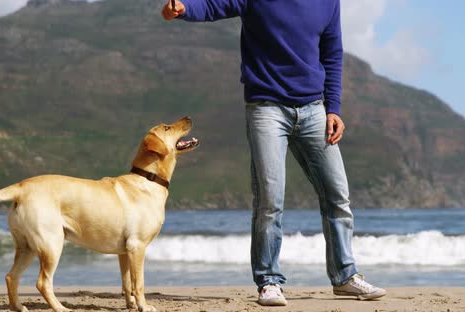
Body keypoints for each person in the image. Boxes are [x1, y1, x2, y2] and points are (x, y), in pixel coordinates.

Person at [161, 0, 386, 306]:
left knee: (337, 195)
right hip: (266, 109)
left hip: (314, 110)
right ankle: (269, 281)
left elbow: (332, 55)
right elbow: (213, 6)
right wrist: (183, 9)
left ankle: (345, 277)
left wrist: (333, 108)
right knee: (270, 199)